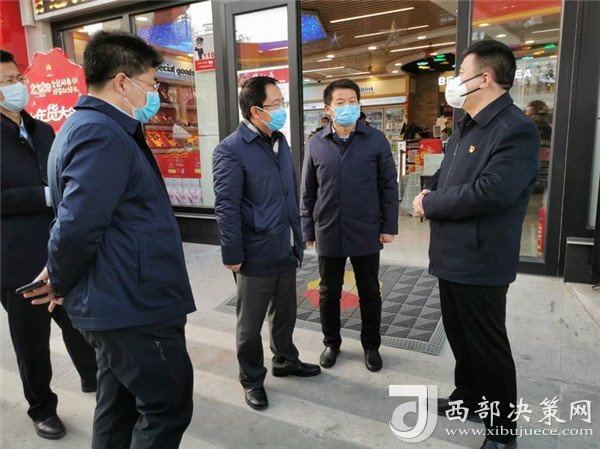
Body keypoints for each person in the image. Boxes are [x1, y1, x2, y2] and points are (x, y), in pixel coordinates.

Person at [23, 31, 196, 449]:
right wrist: (59, 278)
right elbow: (77, 222)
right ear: (122, 81)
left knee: (118, 406)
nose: (154, 95)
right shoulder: (101, 132)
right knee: (167, 404)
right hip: (131, 302)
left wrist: (60, 273)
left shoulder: (87, 126)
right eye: (151, 84)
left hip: (116, 297)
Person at [412, 40, 539, 449]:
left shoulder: (515, 129)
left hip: (481, 259)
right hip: (451, 254)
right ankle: (468, 398)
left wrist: (431, 204)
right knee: (460, 336)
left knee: (487, 346)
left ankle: (502, 432)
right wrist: (428, 192)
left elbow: (491, 192)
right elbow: (447, 174)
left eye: (460, 75)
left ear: (484, 79)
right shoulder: (467, 124)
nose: (454, 83)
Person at [0, 49, 97, 440]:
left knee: (80, 323)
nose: (16, 86)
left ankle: (96, 379)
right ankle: (42, 407)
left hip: (58, 249)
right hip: (16, 258)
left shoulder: (42, 129)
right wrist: (42, 195)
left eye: (17, 78)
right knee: (32, 343)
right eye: (6, 81)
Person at [213, 76, 321, 411]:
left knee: (285, 312)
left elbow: (290, 191)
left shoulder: (280, 141)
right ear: (256, 110)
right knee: (250, 324)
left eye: (281, 103)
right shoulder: (231, 149)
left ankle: (285, 359)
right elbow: (226, 206)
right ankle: (252, 379)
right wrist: (232, 253)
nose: (282, 109)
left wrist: (299, 235)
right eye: (275, 104)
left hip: (284, 246)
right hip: (254, 251)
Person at [300, 78, 399, 372]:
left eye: (352, 101)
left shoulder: (375, 140)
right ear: (328, 109)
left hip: (366, 228)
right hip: (328, 228)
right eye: (340, 102)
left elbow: (388, 186)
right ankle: (331, 343)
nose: (347, 107)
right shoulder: (315, 143)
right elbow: (307, 190)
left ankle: (371, 345)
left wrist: (388, 225)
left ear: (359, 105)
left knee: (369, 290)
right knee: (329, 291)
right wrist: (307, 229)